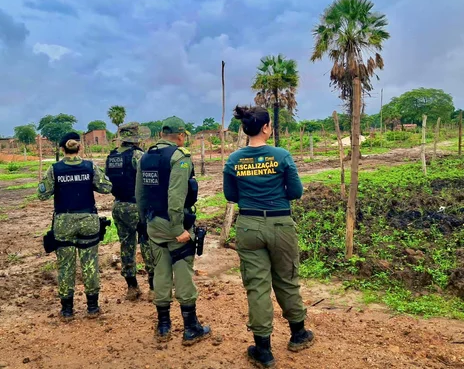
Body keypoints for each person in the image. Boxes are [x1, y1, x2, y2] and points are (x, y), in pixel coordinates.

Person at [223, 106, 314, 368]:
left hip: (249, 225)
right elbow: (295, 192)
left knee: (257, 287)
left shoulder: (233, 160)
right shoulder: (282, 155)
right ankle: (298, 334)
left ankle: (263, 350)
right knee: (286, 280)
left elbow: (231, 196)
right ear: (266, 128)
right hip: (280, 224)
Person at [135, 116, 211, 345]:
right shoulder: (180, 157)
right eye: (184, 136)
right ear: (180, 135)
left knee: (161, 272)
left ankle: (163, 326)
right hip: (174, 224)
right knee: (183, 272)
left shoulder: (145, 157)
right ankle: (190, 328)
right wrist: (179, 229)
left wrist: (144, 223)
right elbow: (176, 198)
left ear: (161, 135)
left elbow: (140, 195)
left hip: (154, 224)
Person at [38, 132, 112, 320]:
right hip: (88, 220)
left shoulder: (55, 169)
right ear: (80, 147)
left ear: (62, 149)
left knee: (65, 266)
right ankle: (93, 308)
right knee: (90, 264)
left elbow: (42, 194)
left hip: (63, 223)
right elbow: (106, 187)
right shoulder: (89, 167)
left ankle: (67, 310)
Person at [105, 122, 155, 301]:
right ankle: (153, 287)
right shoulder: (138, 156)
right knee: (147, 243)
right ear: (136, 139)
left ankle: (132, 287)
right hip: (137, 207)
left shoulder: (112, 157)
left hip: (119, 206)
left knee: (127, 245)